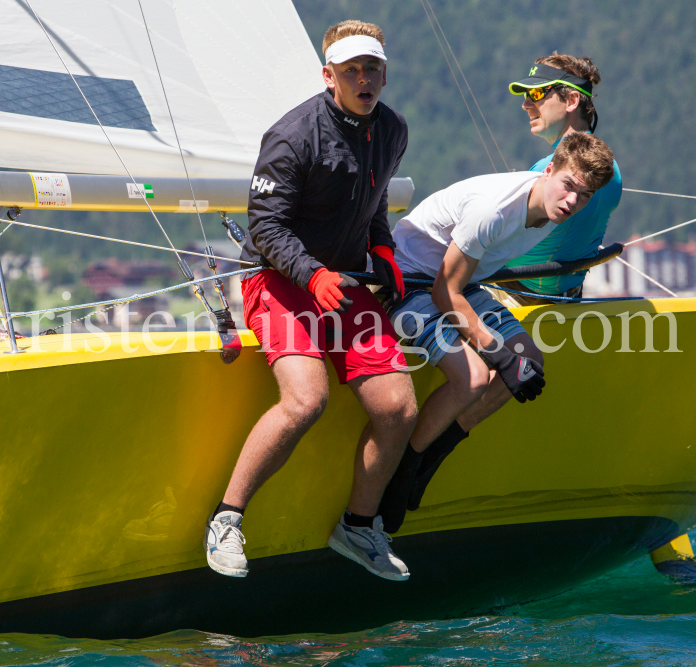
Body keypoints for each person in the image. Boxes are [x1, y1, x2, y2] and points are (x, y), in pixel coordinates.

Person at [203, 20, 419, 581]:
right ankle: (226, 519)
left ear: (384, 73)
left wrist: (382, 248)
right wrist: (311, 272)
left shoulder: (393, 130)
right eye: (351, 71)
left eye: (372, 68)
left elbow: (372, 204)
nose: (364, 79)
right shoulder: (292, 135)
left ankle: (357, 525)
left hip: (340, 283)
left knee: (398, 407)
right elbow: (267, 228)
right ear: (329, 77)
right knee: (306, 400)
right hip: (274, 279)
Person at [376, 133, 617, 532]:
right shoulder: (494, 210)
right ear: (550, 170)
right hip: (410, 284)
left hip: (462, 283)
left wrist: (512, 358)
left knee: (530, 365)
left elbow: (468, 279)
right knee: (473, 377)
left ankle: (437, 451)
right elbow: (443, 292)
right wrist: (497, 353)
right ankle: (406, 467)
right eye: (569, 186)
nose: (573, 201)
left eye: (585, 195)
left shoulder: (551, 210)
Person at [501, 53, 623, 306]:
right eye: (525, 95)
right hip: (567, 299)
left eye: (536, 94)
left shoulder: (554, 170)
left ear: (571, 100)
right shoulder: (610, 168)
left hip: (516, 301)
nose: (525, 104)